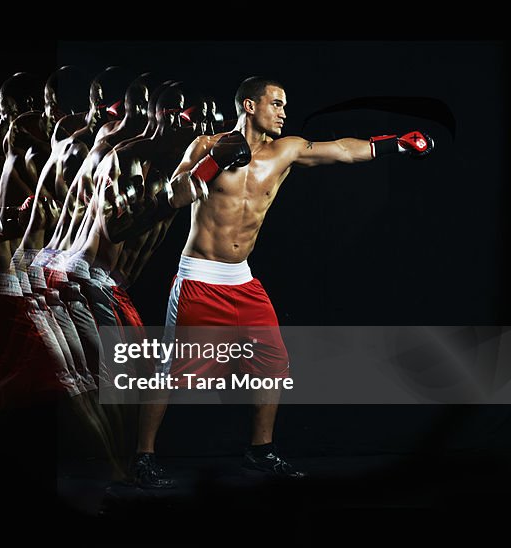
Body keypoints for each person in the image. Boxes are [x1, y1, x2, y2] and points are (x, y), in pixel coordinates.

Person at [133, 76, 434, 483]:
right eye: (276, 103)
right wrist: (213, 163)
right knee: (171, 370)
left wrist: (395, 143)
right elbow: (173, 196)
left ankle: (260, 450)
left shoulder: (285, 150)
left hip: (242, 279)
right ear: (249, 106)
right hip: (200, 277)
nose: (284, 112)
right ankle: (142, 458)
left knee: (274, 363)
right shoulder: (206, 145)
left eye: (284, 105)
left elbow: (342, 151)